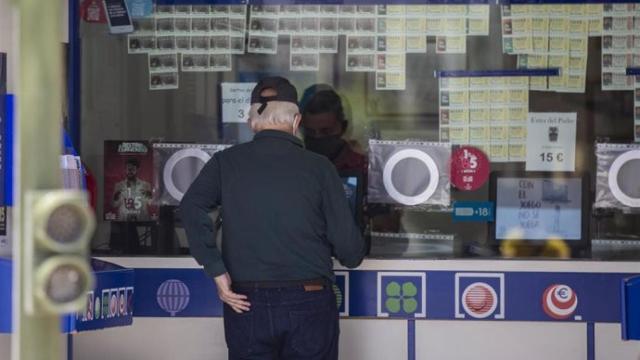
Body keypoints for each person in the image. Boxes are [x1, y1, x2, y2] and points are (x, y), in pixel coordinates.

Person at [180, 76, 366, 360]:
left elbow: (191, 207)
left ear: (251, 121)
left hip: (245, 301)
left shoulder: (225, 163)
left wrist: (216, 270)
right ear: (296, 122)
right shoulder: (320, 168)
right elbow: (350, 252)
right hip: (310, 299)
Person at [299, 84, 367, 173]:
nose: (317, 137)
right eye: (310, 132)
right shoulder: (297, 165)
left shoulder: (362, 166)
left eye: (326, 131)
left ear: (343, 127)